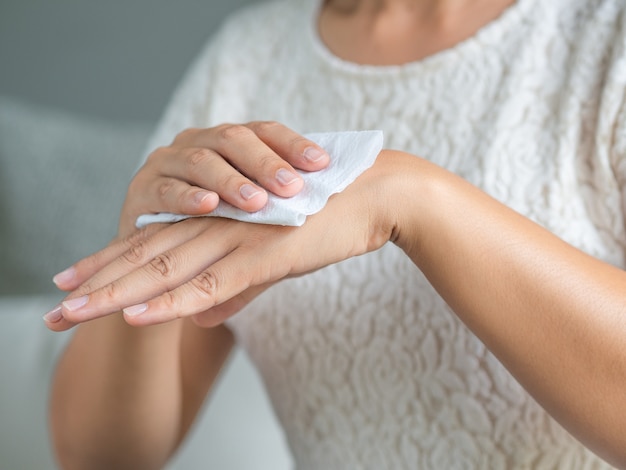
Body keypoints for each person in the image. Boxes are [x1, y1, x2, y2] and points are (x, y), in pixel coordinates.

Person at [44, 0, 626, 467]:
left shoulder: (603, 36)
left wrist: (410, 197)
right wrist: (142, 243)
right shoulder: (249, 56)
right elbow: (100, 456)